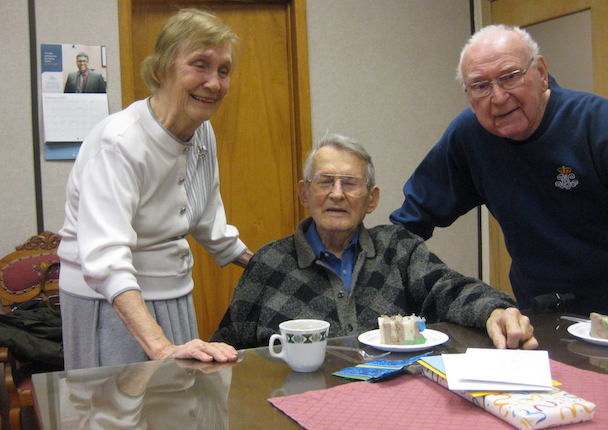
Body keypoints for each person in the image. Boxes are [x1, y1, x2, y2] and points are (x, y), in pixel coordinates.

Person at [210, 134, 537, 350]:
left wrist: (494, 310)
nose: (337, 194)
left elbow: (448, 289)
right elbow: (227, 348)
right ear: (304, 194)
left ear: (372, 199)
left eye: (350, 183)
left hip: (390, 410)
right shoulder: (268, 264)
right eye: (325, 182)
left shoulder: (398, 249)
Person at [58, 8, 252, 370]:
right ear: (162, 68)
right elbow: (106, 261)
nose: (214, 83)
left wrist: (264, 267)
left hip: (174, 295)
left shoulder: (201, 130)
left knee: (178, 399)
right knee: (121, 406)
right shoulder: (118, 142)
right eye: (200, 65)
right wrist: (161, 348)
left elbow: (206, 220)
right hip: (111, 302)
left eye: (224, 70)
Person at [390, 25, 608, 316]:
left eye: (510, 77)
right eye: (480, 86)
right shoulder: (469, 135)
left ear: (541, 73)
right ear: (469, 97)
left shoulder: (596, 123)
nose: (499, 97)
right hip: (539, 310)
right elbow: (411, 222)